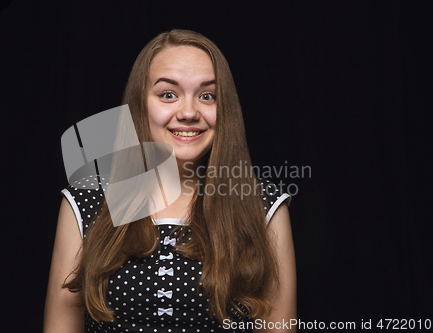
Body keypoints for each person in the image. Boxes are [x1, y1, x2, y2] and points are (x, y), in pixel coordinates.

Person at [44, 29, 296, 333]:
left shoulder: (264, 207)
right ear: (140, 104)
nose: (188, 112)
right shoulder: (87, 200)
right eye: (168, 94)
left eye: (207, 96)